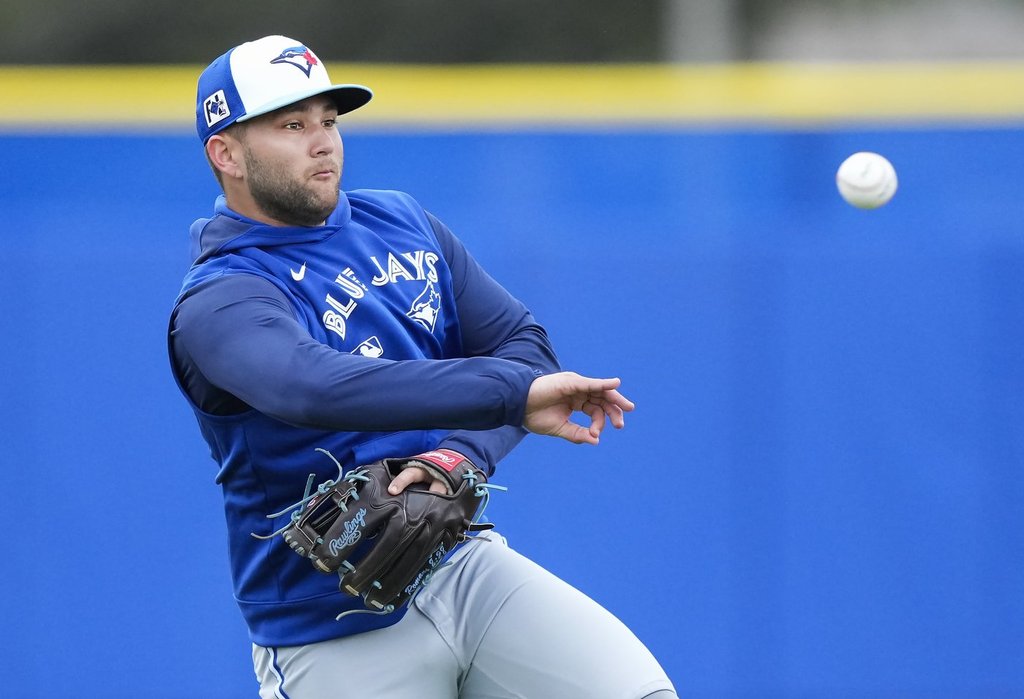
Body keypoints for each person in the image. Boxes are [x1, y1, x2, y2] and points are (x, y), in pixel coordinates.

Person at [169, 34, 676, 699]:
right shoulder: (222, 296)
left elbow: (522, 345)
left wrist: (458, 455)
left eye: (328, 120)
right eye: (292, 125)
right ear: (225, 152)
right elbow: (312, 384)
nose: (323, 141)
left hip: (464, 567)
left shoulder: (401, 222)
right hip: (330, 629)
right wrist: (511, 395)